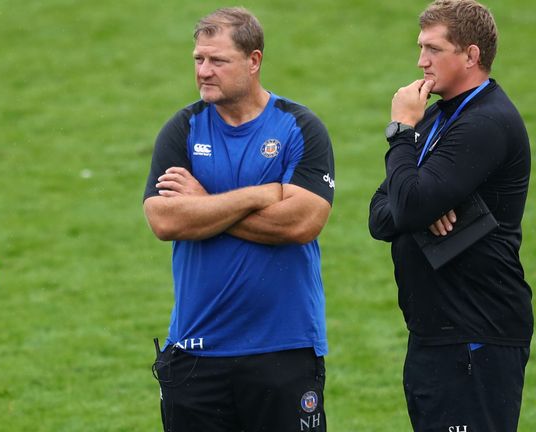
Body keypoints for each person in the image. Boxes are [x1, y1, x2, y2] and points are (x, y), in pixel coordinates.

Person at [143, 7, 335, 432]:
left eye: (217, 60)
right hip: (196, 356)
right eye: (198, 60)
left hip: (284, 350)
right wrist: (259, 195)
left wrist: (203, 204)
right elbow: (164, 221)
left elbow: (300, 223)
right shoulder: (183, 129)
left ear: (254, 61)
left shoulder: (299, 127)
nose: (204, 71)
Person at [368, 0, 531, 430]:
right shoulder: (438, 117)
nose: (421, 61)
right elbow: (380, 215)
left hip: (475, 332)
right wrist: (419, 209)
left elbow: (406, 203)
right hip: (435, 334)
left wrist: (400, 132)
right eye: (420, 48)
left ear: (471, 55)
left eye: (433, 49)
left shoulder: (486, 123)